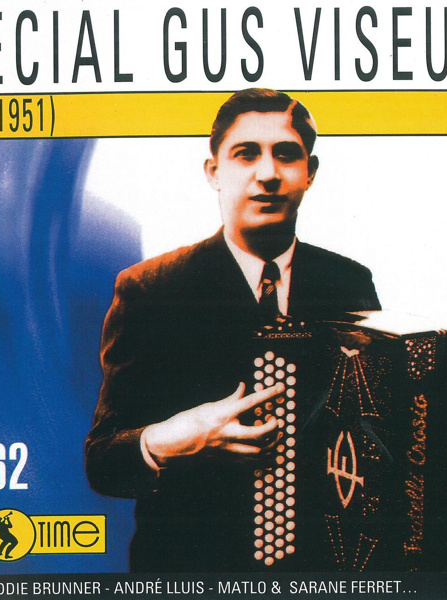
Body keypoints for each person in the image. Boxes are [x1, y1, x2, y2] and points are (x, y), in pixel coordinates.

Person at [84, 88, 381, 572]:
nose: (268, 173)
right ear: (214, 172)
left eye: (286, 154)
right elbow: (102, 462)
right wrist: (172, 438)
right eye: (246, 154)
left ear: (309, 173)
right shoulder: (151, 290)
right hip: (192, 571)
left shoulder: (348, 283)